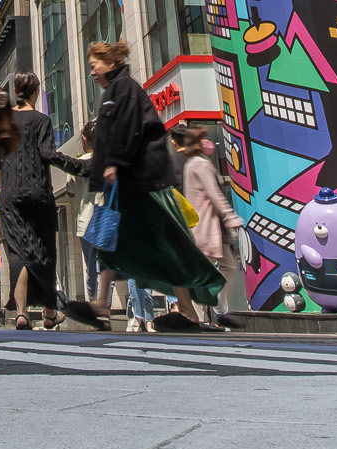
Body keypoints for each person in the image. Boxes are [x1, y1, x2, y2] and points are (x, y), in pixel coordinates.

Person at [65, 41, 221, 332]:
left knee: (159, 245)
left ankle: (186, 312)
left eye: (94, 65)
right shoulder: (119, 88)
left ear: (110, 62)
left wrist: (114, 163)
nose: (92, 72)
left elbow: (126, 129)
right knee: (117, 244)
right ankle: (102, 305)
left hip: (144, 181)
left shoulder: (123, 88)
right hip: (136, 180)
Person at [0, 73, 86, 330]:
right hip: (38, 192)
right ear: (36, 92)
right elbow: (48, 153)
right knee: (44, 251)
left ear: (15, 91)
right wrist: (79, 166)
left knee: (18, 253)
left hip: (11, 196)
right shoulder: (42, 120)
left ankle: (22, 313)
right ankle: (48, 312)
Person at [172, 124, 252, 329]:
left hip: (203, 227)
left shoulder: (193, 164)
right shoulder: (200, 164)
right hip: (207, 227)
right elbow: (215, 194)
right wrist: (229, 216)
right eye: (203, 140)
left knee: (224, 267)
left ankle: (210, 312)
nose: (208, 144)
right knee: (221, 268)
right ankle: (204, 315)